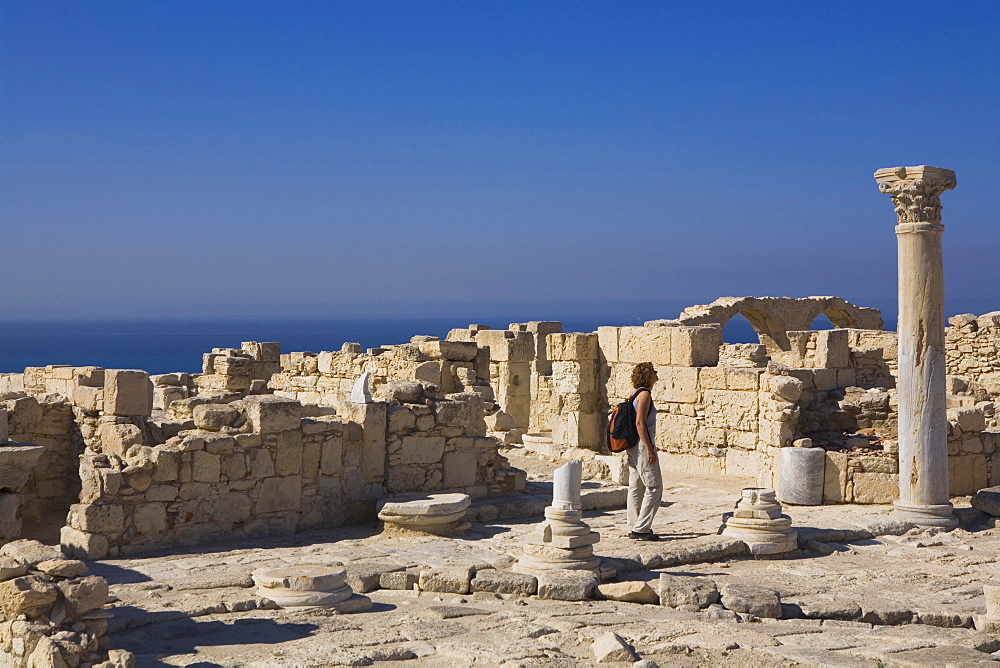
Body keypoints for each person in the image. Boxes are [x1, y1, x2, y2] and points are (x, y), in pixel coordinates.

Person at [626, 362, 663, 541]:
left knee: (636, 486)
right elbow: (640, 423)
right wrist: (649, 448)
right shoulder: (645, 395)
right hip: (642, 444)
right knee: (654, 486)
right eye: (654, 372)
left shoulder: (634, 394)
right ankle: (641, 528)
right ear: (648, 376)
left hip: (632, 444)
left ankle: (633, 525)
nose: (657, 374)